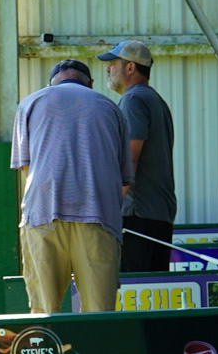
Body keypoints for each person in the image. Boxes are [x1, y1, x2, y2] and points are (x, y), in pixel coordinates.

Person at [10, 58, 133, 315]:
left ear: (51, 83)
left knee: (45, 312)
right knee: (100, 314)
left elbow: (25, 168)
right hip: (98, 217)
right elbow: (124, 179)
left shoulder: (30, 103)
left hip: (44, 214)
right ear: (90, 83)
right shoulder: (112, 108)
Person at [100, 38, 176, 274]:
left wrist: (110, 207)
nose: (108, 68)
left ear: (130, 67)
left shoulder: (132, 100)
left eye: (113, 63)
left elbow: (129, 161)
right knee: (154, 295)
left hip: (136, 215)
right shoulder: (156, 100)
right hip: (158, 214)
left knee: (133, 292)